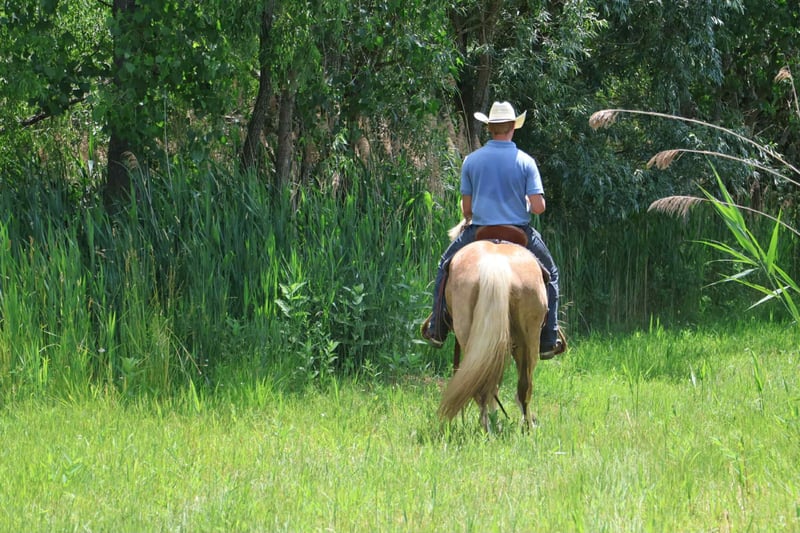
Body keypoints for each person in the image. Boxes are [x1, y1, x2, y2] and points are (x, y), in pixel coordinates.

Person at [420, 101, 565, 358]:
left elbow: (467, 209)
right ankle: (548, 338)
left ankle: (437, 328)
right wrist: (525, 203)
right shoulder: (526, 162)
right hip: (518, 232)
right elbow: (538, 207)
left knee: (444, 266)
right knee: (551, 273)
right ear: (513, 127)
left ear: (489, 128)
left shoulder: (471, 161)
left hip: (479, 231)